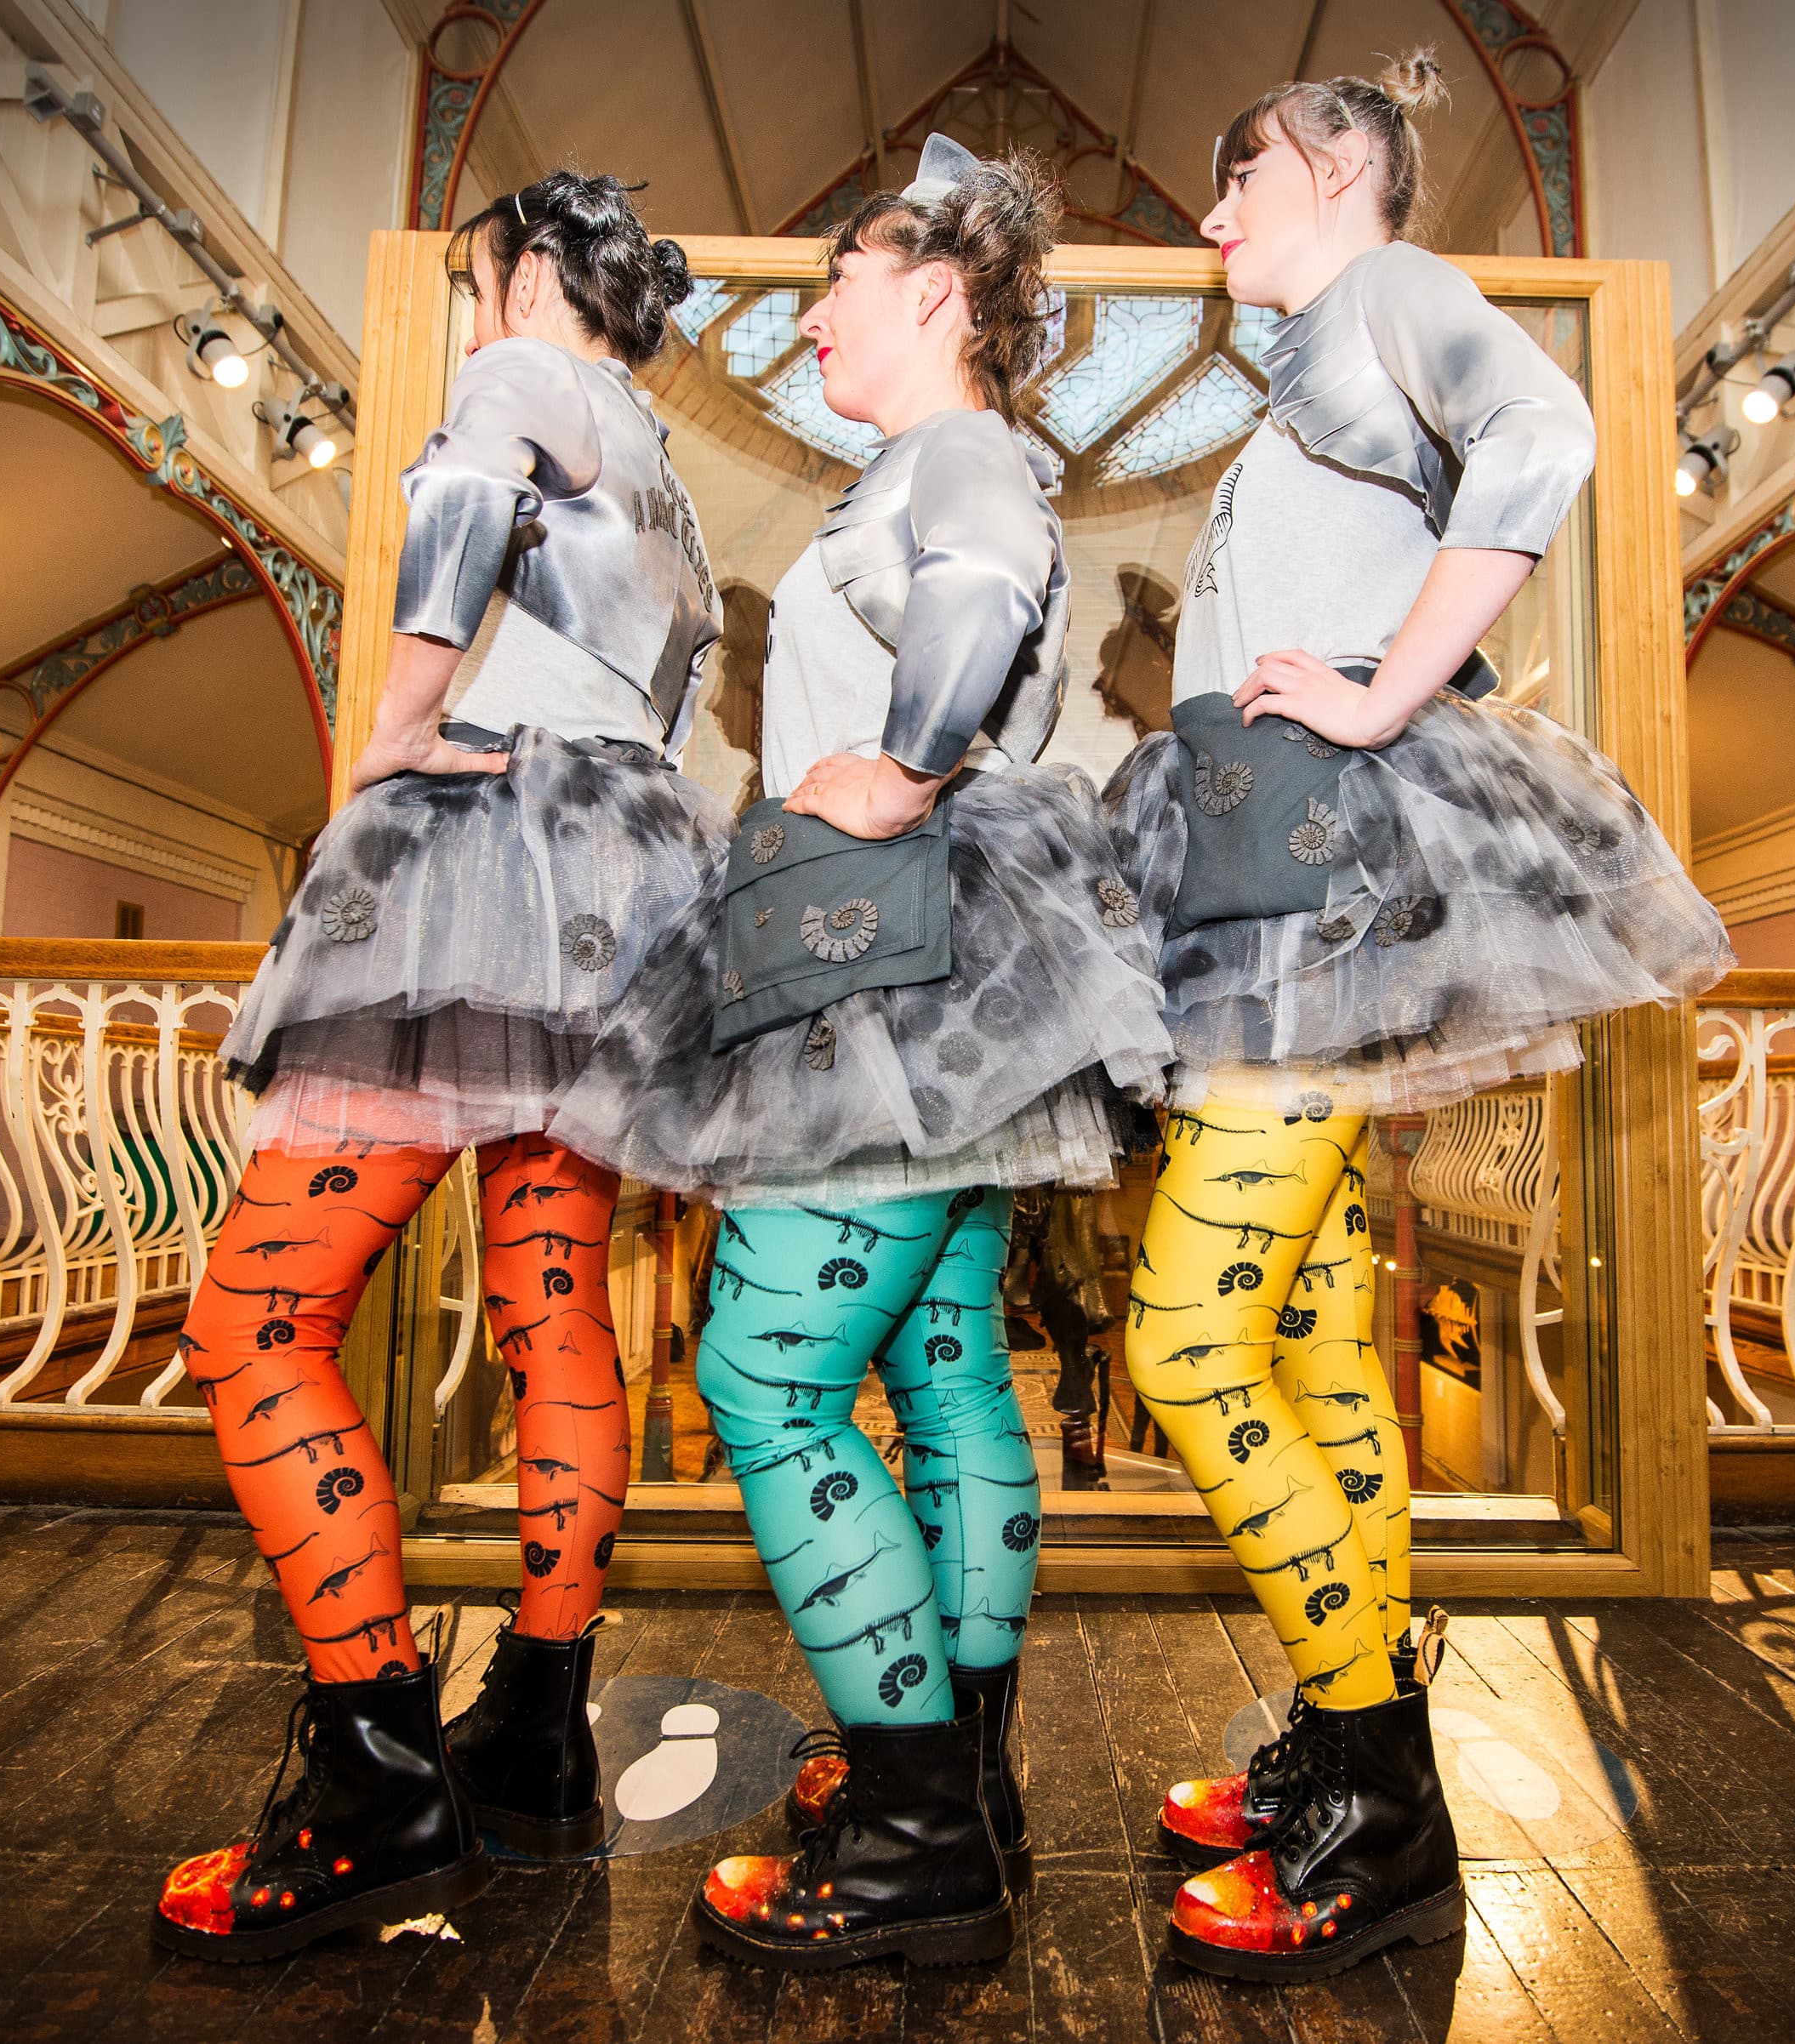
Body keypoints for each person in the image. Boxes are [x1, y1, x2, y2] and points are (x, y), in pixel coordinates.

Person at [1103, 54, 1733, 1982]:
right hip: (1281, 871)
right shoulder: (1318, 363)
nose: (1214, 218)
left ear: (1342, 177)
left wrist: (1381, 698)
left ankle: (1379, 1796)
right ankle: (1352, 1749)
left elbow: (1542, 435)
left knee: (1185, 1337)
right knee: (1305, 1336)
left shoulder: (1384, 291)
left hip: (1315, 875)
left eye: (1243, 181)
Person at [549, 135, 1171, 1973]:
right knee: (954, 1372)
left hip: (876, 984)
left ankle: (914, 1838)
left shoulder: (955, 457)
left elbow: (972, 611)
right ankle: (963, 1782)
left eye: (843, 277)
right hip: (953, 991)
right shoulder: (952, 464)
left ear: (934, 294)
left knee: (765, 1378)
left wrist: (896, 769)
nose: (814, 312)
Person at [152, 172, 725, 1960]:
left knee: (254, 1319)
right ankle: (538, 1723)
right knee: (556, 1301)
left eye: (485, 286)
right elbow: (665, 687)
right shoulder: (670, 470)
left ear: (540, 276)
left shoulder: (524, 381)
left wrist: (391, 730)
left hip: (490, 848)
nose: (478, 320)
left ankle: (378, 1776)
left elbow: (467, 509)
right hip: (632, 876)